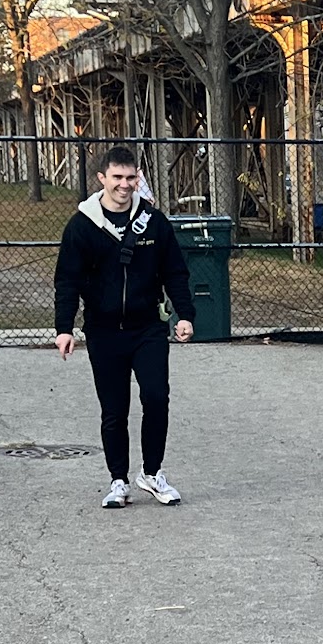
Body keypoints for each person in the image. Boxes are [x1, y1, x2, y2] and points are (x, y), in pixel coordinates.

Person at [53, 144, 194, 508]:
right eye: (117, 177)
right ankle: (118, 480)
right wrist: (64, 328)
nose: (125, 185)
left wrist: (186, 315)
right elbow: (67, 280)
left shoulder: (154, 222)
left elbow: (175, 272)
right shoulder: (82, 226)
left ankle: (151, 474)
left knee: (156, 398)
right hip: (103, 331)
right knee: (114, 410)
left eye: (131, 177)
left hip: (147, 328)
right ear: (102, 178)